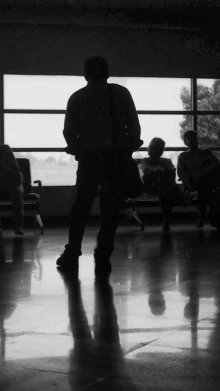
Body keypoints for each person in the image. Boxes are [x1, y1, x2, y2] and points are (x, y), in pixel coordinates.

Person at [57, 56, 142, 275]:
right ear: (107, 72)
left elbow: (69, 131)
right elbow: (133, 125)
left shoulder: (77, 98)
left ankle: (73, 251)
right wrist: (128, 147)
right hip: (116, 157)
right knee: (111, 207)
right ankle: (104, 251)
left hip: (89, 158)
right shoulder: (121, 94)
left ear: (86, 74)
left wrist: (77, 148)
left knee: (81, 206)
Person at [177, 130, 220, 228]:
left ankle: (203, 214)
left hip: (203, 181)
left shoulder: (204, 153)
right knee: (207, 189)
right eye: (192, 139)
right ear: (186, 142)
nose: (194, 141)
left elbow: (215, 162)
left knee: (204, 187)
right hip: (195, 182)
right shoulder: (184, 156)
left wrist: (204, 171)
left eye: (195, 139)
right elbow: (182, 173)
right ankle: (211, 215)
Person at [140, 137, 183, 232]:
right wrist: (162, 171)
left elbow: (170, 171)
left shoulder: (149, 161)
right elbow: (147, 170)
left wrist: (157, 171)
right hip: (153, 187)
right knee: (168, 190)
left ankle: (166, 220)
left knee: (166, 191)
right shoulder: (148, 161)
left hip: (158, 186)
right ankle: (184, 196)